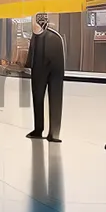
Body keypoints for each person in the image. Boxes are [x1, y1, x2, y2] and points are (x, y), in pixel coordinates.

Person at [26, 12, 66, 141]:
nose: (33, 26)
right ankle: (39, 129)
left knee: (55, 99)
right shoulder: (36, 37)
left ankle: (54, 133)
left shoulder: (54, 37)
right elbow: (32, 54)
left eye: (35, 23)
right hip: (39, 71)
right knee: (37, 99)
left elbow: (58, 61)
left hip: (53, 72)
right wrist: (29, 65)